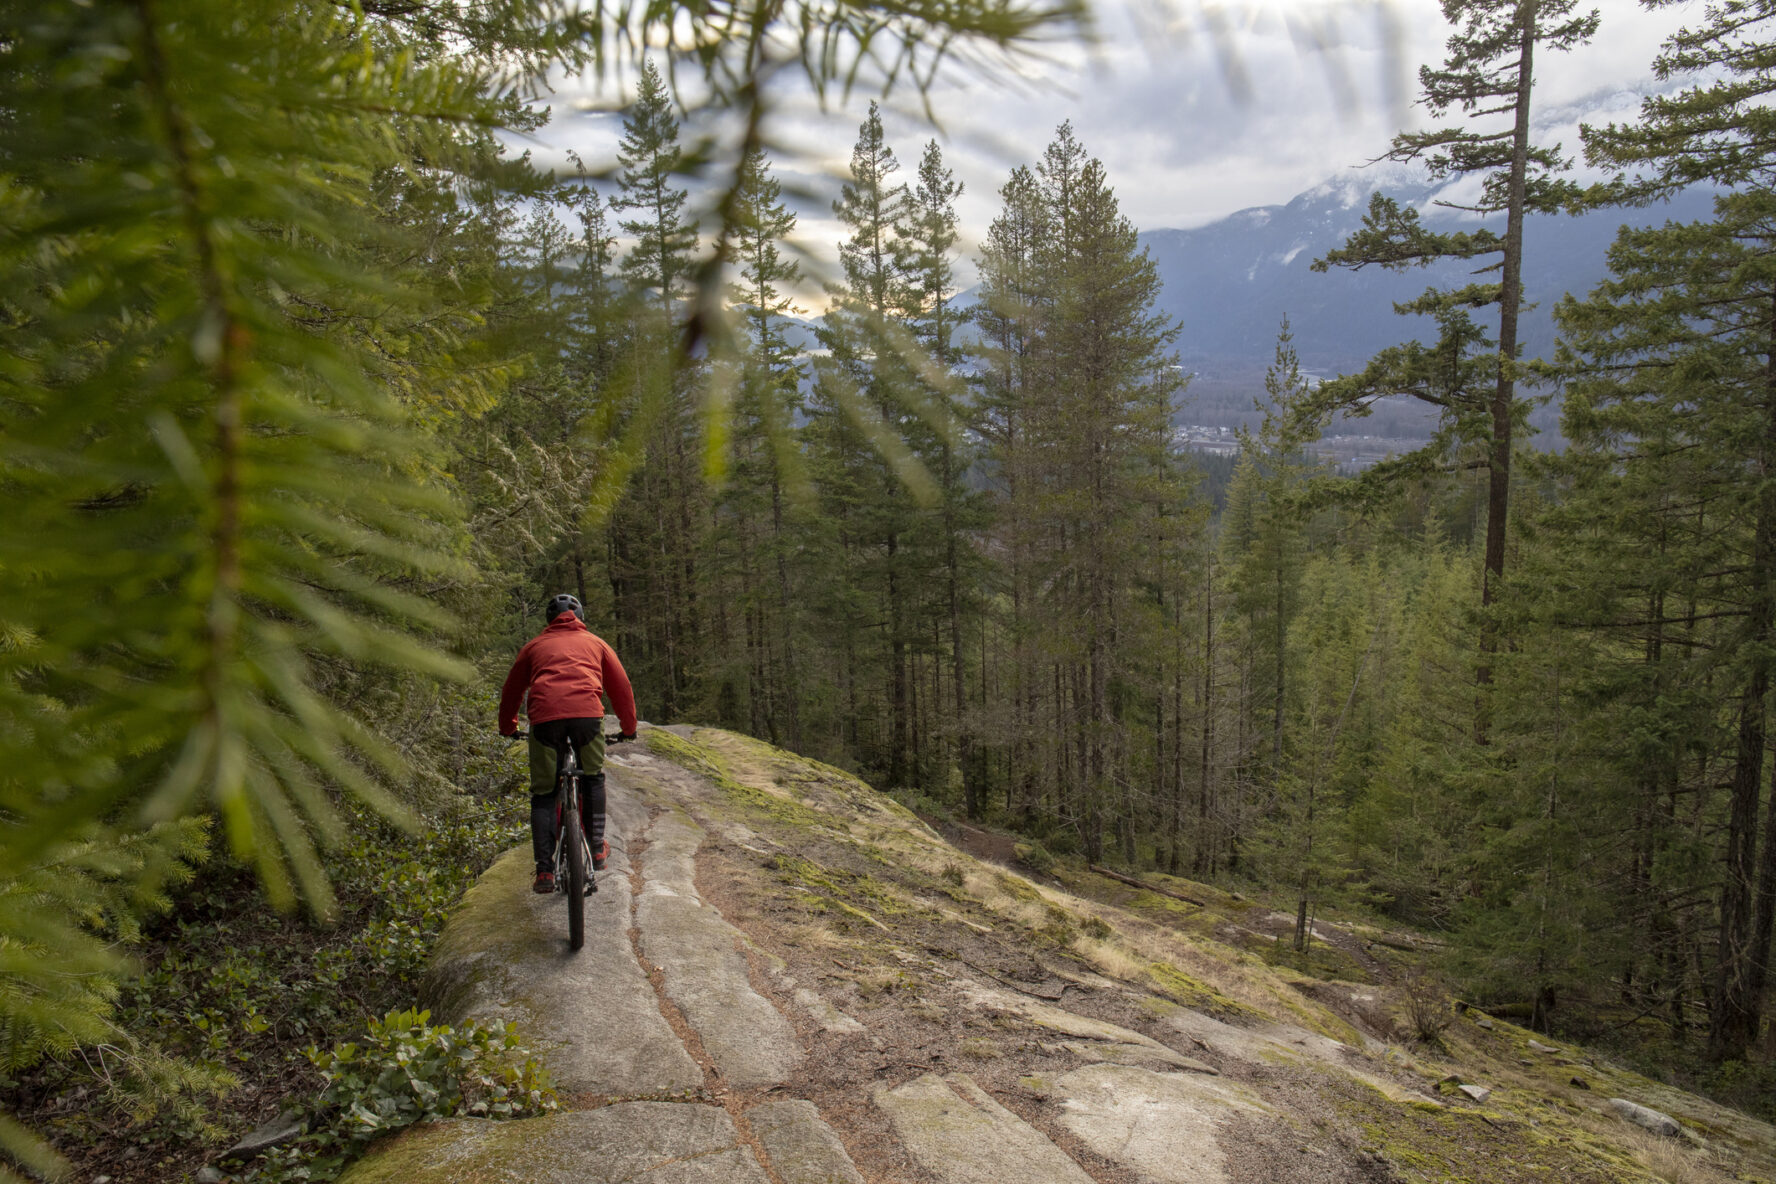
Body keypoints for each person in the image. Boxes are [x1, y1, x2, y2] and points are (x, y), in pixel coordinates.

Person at [498, 593, 638, 894]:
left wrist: (508, 728)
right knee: (593, 777)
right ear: (580, 618)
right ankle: (597, 848)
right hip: (587, 717)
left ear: (549, 621)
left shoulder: (533, 647)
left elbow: (511, 691)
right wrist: (628, 729)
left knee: (545, 793)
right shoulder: (597, 644)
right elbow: (621, 688)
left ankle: (545, 872)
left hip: (545, 721)